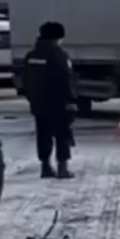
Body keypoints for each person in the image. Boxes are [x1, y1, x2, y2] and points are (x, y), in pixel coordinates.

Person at [23, 21, 75, 178]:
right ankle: (62, 168)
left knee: (43, 135)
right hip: (58, 104)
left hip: (39, 104)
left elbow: (25, 80)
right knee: (62, 135)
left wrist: (32, 98)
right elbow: (66, 80)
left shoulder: (31, 56)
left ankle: (45, 167)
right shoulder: (59, 55)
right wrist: (71, 100)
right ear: (56, 38)